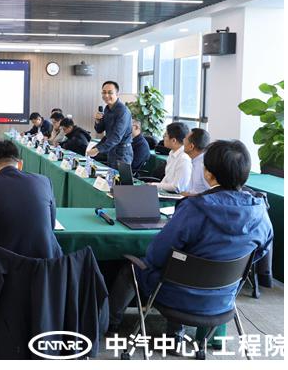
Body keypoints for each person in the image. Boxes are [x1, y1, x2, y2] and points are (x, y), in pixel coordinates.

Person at [106, 139, 273, 334]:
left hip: (176, 296)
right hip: (223, 298)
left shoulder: (195, 208)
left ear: (208, 173)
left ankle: (110, 324)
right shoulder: (260, 211)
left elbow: (156, 255)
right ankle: (175, 335)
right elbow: (260, 252)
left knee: (134, 268)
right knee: (179, 264)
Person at [0, 140, 61, 262]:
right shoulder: (44, 182)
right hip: (48, 266)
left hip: (6, 269)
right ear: (20, 164)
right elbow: (51, 225)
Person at [88, 81, 133, 171]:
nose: (106, 95)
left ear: (117, 94)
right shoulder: (107, 108)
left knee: (120, 179)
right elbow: (100, 130)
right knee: (111, 178)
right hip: (111, 150)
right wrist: (97, 121)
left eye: (110, 92)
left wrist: (97, 150)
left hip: (122, 152)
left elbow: (116, 137)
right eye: (104, 92)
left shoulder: (123, 111)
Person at [152, 122, 192, 193]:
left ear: (174, 140)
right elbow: (167, 179)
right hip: (164, 192)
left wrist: (154, 185)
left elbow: (177, 187)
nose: (163, 138)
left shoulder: (184, 159)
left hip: (175, 196)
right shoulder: (172, 153)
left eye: (165, 135)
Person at [182, 128, 212, 196]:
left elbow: (212, 193)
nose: (183, 140)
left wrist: (188, 195)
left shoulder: (204, 166)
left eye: (185, 139)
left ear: (191, 146)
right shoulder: (195, 161)